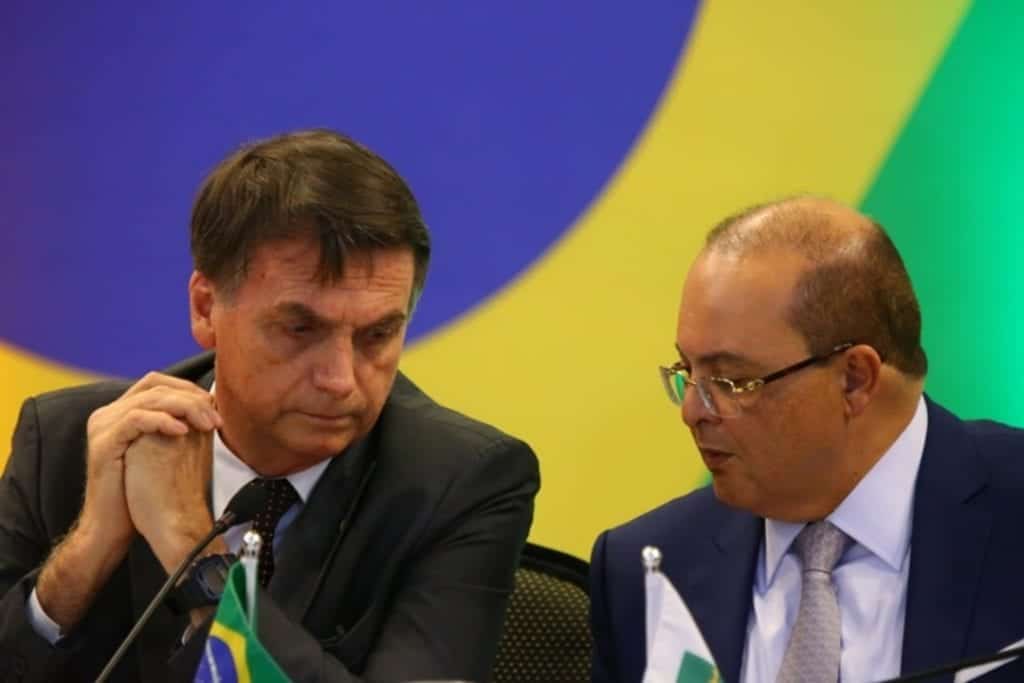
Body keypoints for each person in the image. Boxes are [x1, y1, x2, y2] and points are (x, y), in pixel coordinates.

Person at [0, 129, 540, 682]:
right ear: (206, 308)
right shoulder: (67, 441)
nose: (340, 380)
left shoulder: (460, 483)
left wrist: (190, 545)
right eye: (300, 329)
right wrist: (87, 549)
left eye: (377, 335)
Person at [589, 197, 1024, 682]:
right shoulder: (647, 570)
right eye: (686, 372)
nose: (692, 411)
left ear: (854, 380)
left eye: (733, 382)